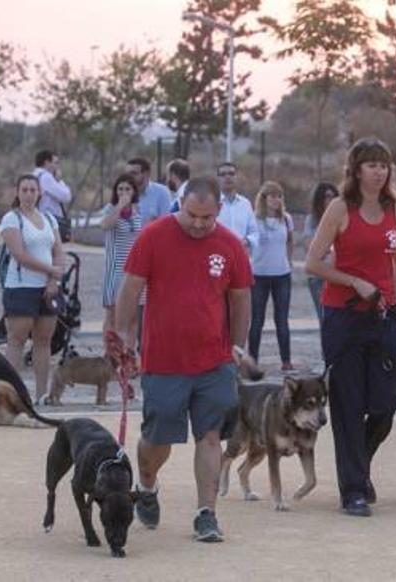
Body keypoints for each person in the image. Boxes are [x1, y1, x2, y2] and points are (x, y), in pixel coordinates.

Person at [112, 176, 253, 543]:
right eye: (192, 215)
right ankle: (147, 483)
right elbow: (130, 289)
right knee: (157, 440)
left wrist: (238, 346)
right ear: (181, 205)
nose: (199, 223)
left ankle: (206, 514)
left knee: (210, 437)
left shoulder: (231, 245)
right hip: (163, 360)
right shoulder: (153, 236)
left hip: (215, 361)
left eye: (207, 217)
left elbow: (240, 300)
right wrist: (124, 339)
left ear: (219, 211)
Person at [306, 138, 396, 517]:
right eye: (370, 164)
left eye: (383, 165)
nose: (378, 171)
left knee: (385, 403)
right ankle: (352, 488)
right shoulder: (340, 208)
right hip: (344, 316)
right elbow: (313, 263)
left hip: (385, 314)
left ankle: (359, 465)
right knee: (348, 405)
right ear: (356, 170)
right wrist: (353, 281)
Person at [1, 174, 65, 404]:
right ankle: (12, 395)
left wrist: (53, 279)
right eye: (24, 190)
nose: (29, 194)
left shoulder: (49, 218)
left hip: (46, 287)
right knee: (16, 340)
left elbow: (58, 250)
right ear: (17, 192)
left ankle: (41, 394)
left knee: (43, 341)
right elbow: (19, 255)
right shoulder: (11, 219)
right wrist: (50, 268)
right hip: (21, 286)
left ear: (40, 193)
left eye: (32, 190)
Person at [248, 181, 295, 372]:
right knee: (257, 320)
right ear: (264, 198)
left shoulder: (286, 219)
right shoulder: (254, 219)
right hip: (259, 275)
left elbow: (290, 240)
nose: (276, 199)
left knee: (282, 319)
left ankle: (286, 360)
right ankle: (253, 359)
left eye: (279, 196)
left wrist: (289, 260)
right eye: (272, 195)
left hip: (281, 275)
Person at [100, 174, 144, 341]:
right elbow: (105, 225)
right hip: (115, 269)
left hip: (132, 269)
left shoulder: (138, 211)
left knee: (132, 318)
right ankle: (110, 355)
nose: (124, 192)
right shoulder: (110, 209)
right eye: (120, 189)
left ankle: (129, 355)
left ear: (134, 191)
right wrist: (119, 207)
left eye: (128, 189)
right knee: (112, 316)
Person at [305, 182, 339, 323]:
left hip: (338, 273)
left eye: (333, 196)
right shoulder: (312, 220)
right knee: (324, 317)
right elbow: (310, 246)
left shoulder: (341, 218)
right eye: (326, 196)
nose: (330, 200)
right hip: (318, 275)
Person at [215, 162, 260, 254]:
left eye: (231, 174)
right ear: (218, 179)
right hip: (218, 255)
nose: (227, 177)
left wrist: (246, 241)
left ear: (236, 177)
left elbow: (255, 232)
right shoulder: (212, 203)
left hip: (240, 256)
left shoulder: (245, 204)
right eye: (223, 174)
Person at [32, 150, 72, 235]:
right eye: (55, 163)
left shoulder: (34, 175)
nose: (57, 166)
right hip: (49, 220)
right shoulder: (46, 177)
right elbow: (66, 196)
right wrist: (59, 180)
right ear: (47, 162)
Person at [126, 157, 173, 225]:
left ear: (146, 173)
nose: (129, 177)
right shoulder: (122, 192)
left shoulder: (161, 192)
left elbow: (167, 223)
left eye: (134, 173)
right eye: (127, 174)